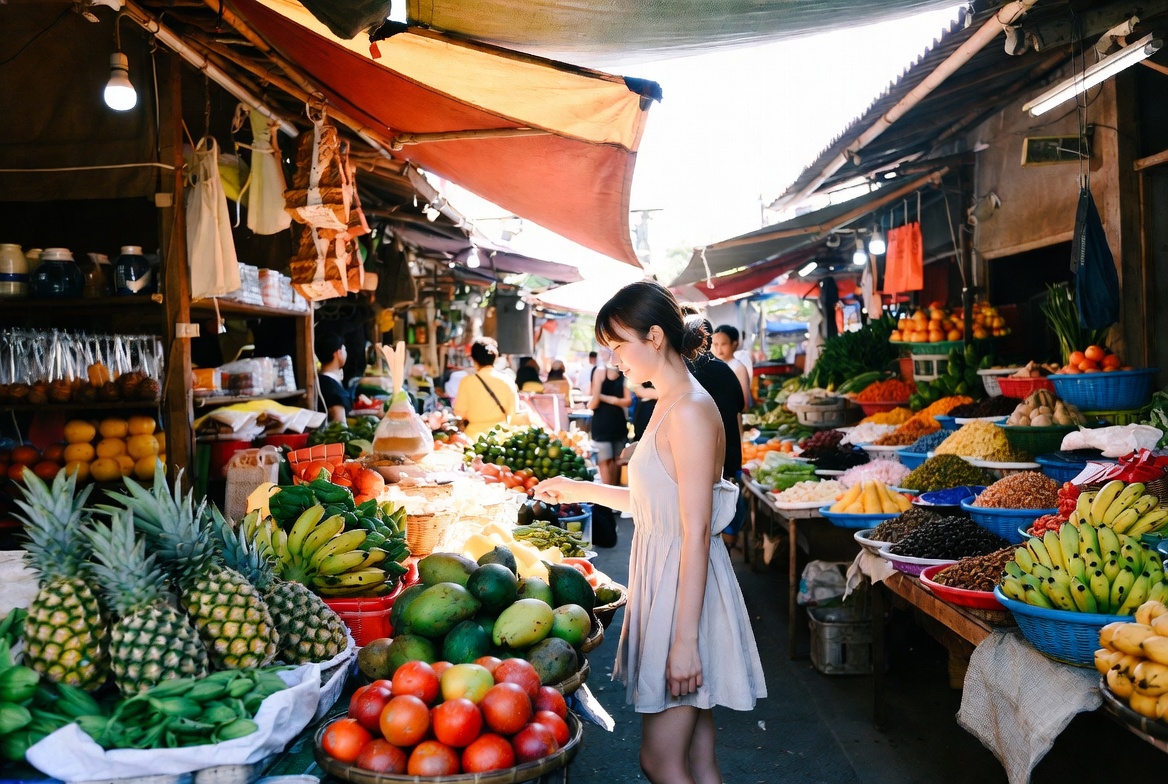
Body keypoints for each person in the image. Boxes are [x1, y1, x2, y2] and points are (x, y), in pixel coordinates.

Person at [534, 281, 765, 784]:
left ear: (655, 336)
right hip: (670, 583)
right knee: (698, 759)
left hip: (684, 594)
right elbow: (655, 506)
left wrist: (685, 641)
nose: (615, 360)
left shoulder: (689, 411)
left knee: (659, 761)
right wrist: (580, 487)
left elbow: (696, 528)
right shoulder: (669, 401)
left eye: (619, 346)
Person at [453, 337, 518, 438]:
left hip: (474, 438)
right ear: (495, 358)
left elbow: (459, 412)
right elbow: (513, 411)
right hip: (501, 437)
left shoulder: (467, 382)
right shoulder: (507, 380)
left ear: (474, 359)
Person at [588, 350, 632, 487]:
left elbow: (594, 402)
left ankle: (608, 503)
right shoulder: (623, 373)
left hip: (603, 423)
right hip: (617, 422)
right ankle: (614, 504)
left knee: (606, 461)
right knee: (615, 461)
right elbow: (627, 401)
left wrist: (601, 398)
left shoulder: (600, 371)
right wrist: (614, 401)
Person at [711, 325, 752, 410]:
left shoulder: (738, 367)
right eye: (715, 344)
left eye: (723, 344)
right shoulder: (712, 365)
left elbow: (744, 403)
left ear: (734, 344)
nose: (719, 349)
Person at [315, 330, 351, 423]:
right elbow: (340, 424)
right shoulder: (330, 386)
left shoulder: (323, 380)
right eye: (344, 349)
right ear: (338, 354)